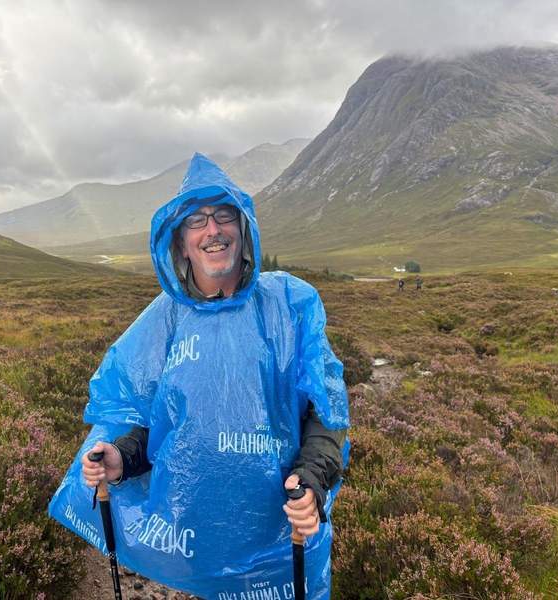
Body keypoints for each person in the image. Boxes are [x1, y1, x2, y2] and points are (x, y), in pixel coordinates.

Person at [50, 154, 350, 599]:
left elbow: (325, 411)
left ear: (243, 230)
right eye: (196, 221)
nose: (213, 229)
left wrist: (312, 479)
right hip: (191, 546)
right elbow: (145, 416)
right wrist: (120, 456)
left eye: (224, 215)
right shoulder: (163, 321)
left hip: (275, 542)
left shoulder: (288, 303)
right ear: (180, 244)